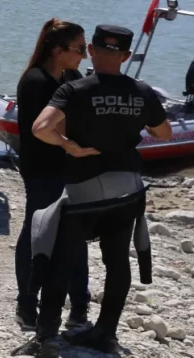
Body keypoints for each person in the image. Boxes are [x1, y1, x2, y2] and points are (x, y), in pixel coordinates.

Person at [15, 25, 172, 357]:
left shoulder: (74, 90)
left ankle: (47, 335)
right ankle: (105, 332)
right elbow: (165, 134)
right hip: (127, 191)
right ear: (126, 56)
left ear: (91, 51)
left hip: (84, 191)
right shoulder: (141, 91)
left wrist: (68, 145)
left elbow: (40, 128)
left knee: (62, 258)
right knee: (117, 261)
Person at [12, 19, 91, 332]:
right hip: (43, 169)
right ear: (58, 51)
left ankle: (79, 305)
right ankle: (27, 302)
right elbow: (44, 131)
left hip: (72, 168)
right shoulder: (34, 82)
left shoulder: (72, 76)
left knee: (77, 235)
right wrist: (70, 141)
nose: (84, 56)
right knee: (38, 233)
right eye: (80, 49)